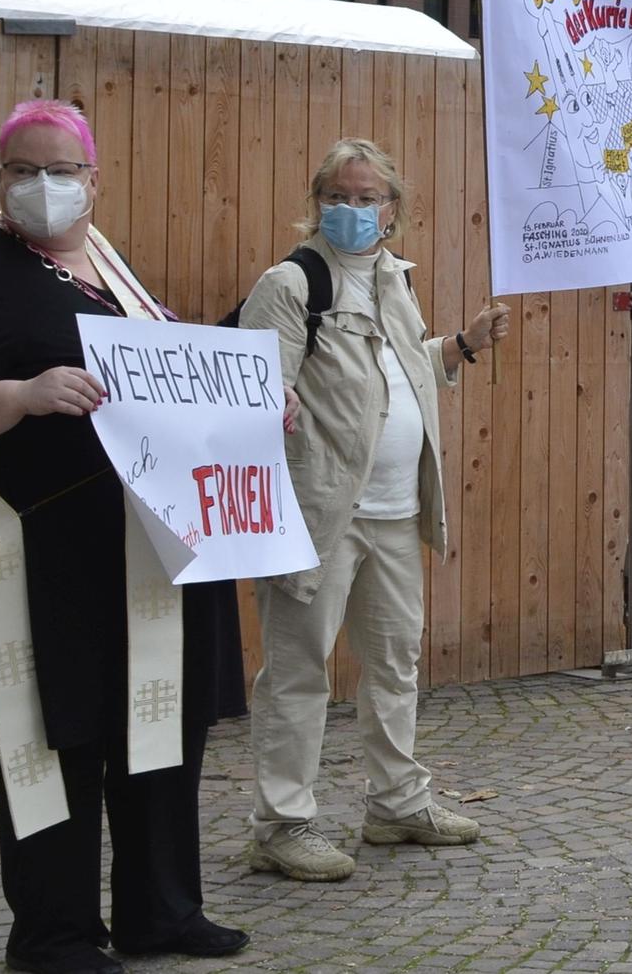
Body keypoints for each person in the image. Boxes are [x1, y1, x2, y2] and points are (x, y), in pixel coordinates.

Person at [0, 99, 249, 973]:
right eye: (24, 169)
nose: (43, 186)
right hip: (49, 561)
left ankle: (160, 913)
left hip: (149, 549)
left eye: (62, 170)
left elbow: (171, 385)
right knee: (62, 741)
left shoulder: (107, 269)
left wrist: (250, 408)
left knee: (158, 734)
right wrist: (20, 395)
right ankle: (54, 933)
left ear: (94, 180)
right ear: (1, 179)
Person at [239, 138, 511, 882]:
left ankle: (396, 804)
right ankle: (283, 824)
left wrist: (457, 346)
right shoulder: (290, 284)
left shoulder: (393, 277)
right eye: (338, 194)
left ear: (394, 210)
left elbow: (395, 367)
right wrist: (272, 396)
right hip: (321, 512)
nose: (351, 209)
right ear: (316, 200)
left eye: (367, 198)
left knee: (395, 662)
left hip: (394, 511)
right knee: (297, 672)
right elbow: (253, 387)